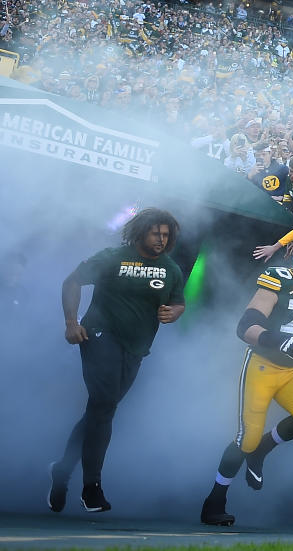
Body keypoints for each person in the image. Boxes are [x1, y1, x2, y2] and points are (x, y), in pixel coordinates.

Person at [48, 208, 185, 514]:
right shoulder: (112, 257)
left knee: (100, 411)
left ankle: (62, 469)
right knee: (104, 405)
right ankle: (91, 487)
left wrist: (174, 312)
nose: (161, 239)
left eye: (166, 234)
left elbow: (178, 302)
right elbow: (72, 282)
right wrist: (72, 322)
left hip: (136, 348)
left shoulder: (171, 269)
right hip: (98, 336)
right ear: (141, 232)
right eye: (155, 233)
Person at [200, 231, 293, 526]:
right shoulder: (279, 278)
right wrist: (278, 340)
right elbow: (245, 327)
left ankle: (263, 450)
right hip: (263, 364)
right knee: (246, 438)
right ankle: (214, 501)